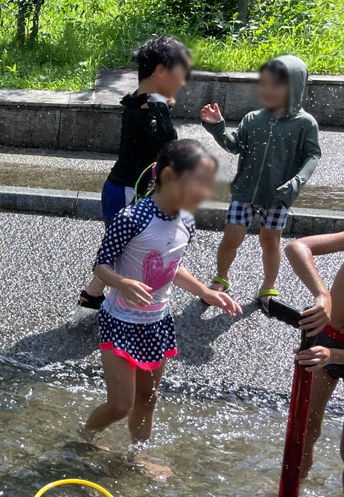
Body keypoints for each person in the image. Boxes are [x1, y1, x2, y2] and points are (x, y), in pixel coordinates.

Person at [84, 140, 242, 442]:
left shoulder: (187, 221)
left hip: (156, 323)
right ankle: (85, 435)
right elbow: (101, 265)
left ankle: (138, 457)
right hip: (119, 321)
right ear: (168, 177)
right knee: (120, 405)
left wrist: (206, 293)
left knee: (148, 398)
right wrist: (121, 282)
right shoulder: (132, 218)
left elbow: (172, 267)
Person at [80, 35, 191, 310]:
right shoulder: (146, 110)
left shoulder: (140, 103)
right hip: (126, 191)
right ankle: (119, 313)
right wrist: (163, 111)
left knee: (122, 249)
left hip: (127, 189)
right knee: (129, 253)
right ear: (161, 70)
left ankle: (93, 295)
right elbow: (171, 149)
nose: (183, 80)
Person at [201, 55, 321, 308]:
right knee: (230, 238)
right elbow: (234, 146)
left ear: (295, 87)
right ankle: (222, 276)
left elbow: (312, 155)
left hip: (278, 195)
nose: (268, 90)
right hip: (244, 192)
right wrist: (217, 128)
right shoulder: (253, 118)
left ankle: (268, 285)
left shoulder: (304, 123)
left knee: (270, 241)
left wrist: (298, 181)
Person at [281, 233, 344, 484]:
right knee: (304, 429)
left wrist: (333, 356)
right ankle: (288, 496)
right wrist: (322, 294)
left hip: (332, 351)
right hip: (330, 337)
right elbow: (297, 247)